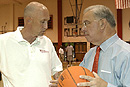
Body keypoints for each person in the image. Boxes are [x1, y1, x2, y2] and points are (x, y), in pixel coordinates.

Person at [0, 2, 62, 87]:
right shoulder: (3, 41)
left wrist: (60, 80)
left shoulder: (47, 42)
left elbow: (56, 69)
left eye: (47, 21)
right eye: (42, 21)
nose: (46, 26)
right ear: (28, 20)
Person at [77, 5, 130, 87]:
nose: (82, 29)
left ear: (102, 24)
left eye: (86, 23)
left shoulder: (126, 54)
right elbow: (79, 79)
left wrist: (106, 85)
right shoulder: (90, 54)